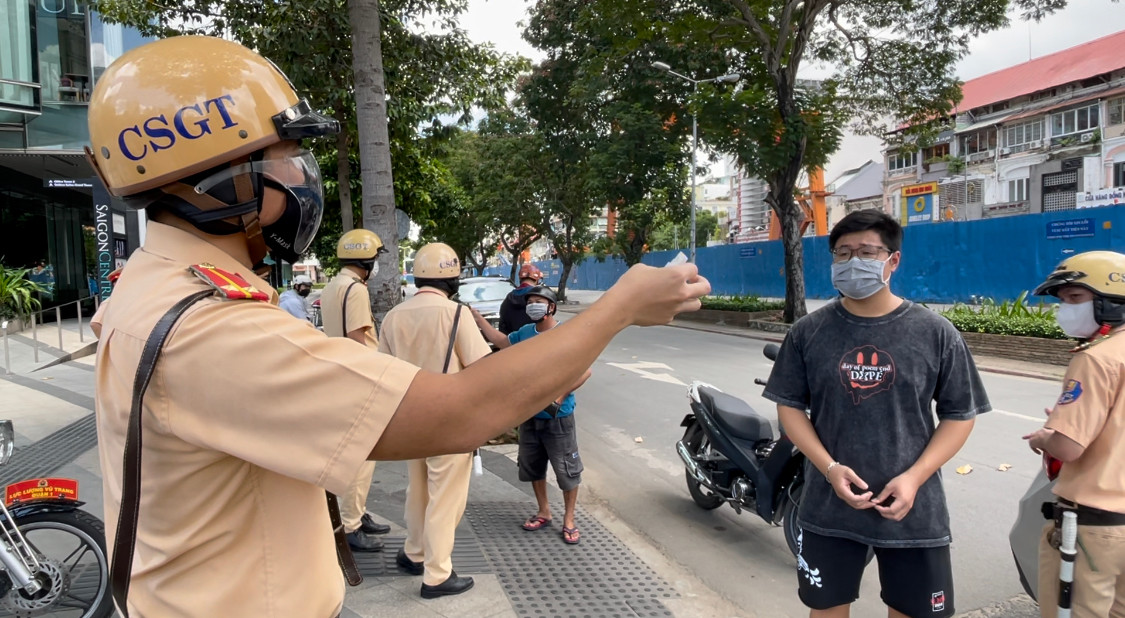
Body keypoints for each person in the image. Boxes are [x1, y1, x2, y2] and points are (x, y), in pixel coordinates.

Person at [86, 35, 708, 618]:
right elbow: (460, 410)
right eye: (285, 160)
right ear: (221, 182)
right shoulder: (208, 327)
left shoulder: (153, 285)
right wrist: (619, 308)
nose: (303, 180)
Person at [762, 210, 990, 618]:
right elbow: (790, 407)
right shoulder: (808, 332)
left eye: (866, 252)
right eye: (842, 253)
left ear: (893, 260)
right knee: (827, 609)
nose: (853, 262)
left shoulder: (936, 333)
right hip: (829, 509)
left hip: (913, 511)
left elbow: (960, 414)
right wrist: (829, 468)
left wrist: (914, 477)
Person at [378, 242, 492, 599]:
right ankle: (437, 574)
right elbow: (481, 368)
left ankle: (415, 553)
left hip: (410, 417)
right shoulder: (456, 314)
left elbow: (382, 369)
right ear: (453, 278)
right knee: (446, 497)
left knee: (419, 489)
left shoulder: (395, 315)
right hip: (450, 421)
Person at [1024, 250, 1125, 617]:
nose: (1064, 308)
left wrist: (1045, 436)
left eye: (1075, 298)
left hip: (1094, 529)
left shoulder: (1096, 357)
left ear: (1111, 302)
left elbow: (1067, 446)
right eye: (1063, 300)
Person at [475, 286, 590, 545]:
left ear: (551, 306)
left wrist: (558, 397)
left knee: (567, 471)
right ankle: (544, 511)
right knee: (533, 466)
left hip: (558, 418)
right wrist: (478, 320)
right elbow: (503, 342)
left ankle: (569, 520)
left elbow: (584, 371)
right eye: (530, 302)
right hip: (528, 415)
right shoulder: (525, 334)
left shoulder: (566, 334)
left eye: (538, 301)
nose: (533, 306)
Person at [319, 228, 391, 551]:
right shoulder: (356, 290)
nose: (375, 263)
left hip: (339, 376)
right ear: (364, 258)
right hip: (358, 379)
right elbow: (357, 339)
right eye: (374, 257)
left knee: (353, 454)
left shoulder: (334, 285)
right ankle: (350, 526)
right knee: (363, 457)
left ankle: (356, 515)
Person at [498, 263, 543, 334]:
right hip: (535, 342)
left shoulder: (507, 299)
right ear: (537, 280)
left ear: (520, 279)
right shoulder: (540, 298)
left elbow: (503, 328)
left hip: (513, 343)